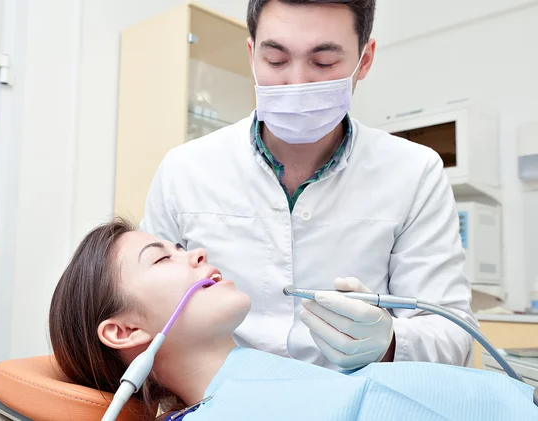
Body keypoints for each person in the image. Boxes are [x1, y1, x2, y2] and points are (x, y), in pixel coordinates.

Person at [139, 0, 478, 371]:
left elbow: (454, 336)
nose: (297, 82)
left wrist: (391, 342)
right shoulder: (184, 170)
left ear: (364, 61)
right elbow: (143, 308)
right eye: (276, 60)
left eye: (324, 62)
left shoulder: (415, 172)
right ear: (252, 55)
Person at [48, 220, 537, 421]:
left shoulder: (268, 384)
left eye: (180, 246)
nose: (194, 253)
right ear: (124, 331)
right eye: (161, 259)